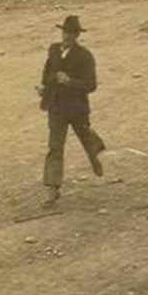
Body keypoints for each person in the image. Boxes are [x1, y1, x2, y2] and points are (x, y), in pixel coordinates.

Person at [38, 14, 106, 205]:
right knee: (55, 146)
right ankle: (53, 187)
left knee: (84, 135)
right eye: (65, 32)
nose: (67, 36)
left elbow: (91, 85)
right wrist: (43, 87)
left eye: (71, 33)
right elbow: (48, 73)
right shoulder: (53, 50)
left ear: (77, 35)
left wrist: (70, 82)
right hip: (56, 106)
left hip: (76, 108)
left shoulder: (85, 56)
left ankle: (95, 150)